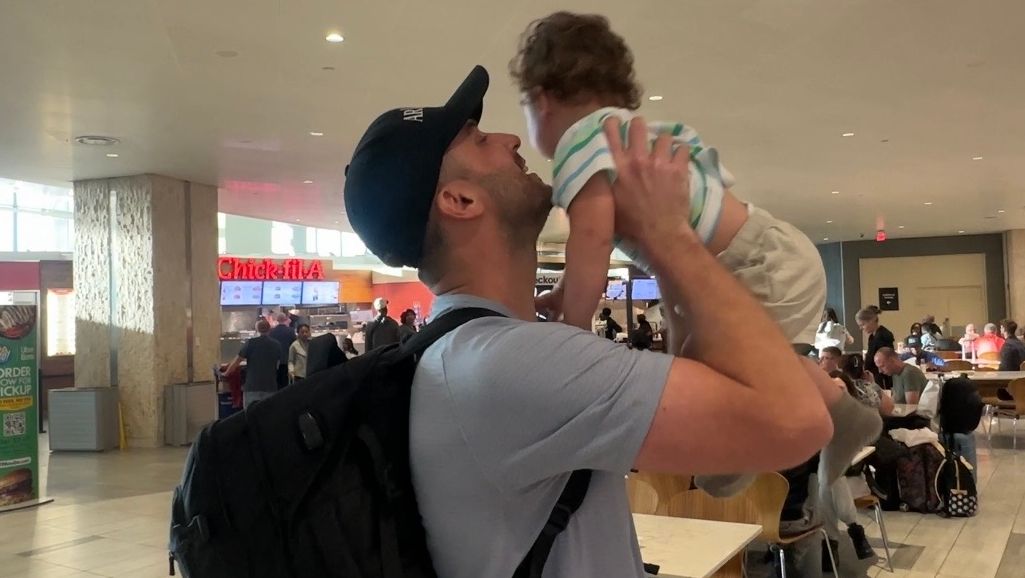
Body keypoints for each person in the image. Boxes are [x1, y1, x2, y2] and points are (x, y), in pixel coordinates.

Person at [342, 64, 842, 578]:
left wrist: (657, 244)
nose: (512, 136)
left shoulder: (479, 353)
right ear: (460, 200)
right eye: (480, 139)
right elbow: (796, 423)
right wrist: (668, 234)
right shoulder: (507, 362)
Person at [509, 12, 826, 347]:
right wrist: (563, 291)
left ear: (541, 101)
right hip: (768, 254)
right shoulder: (622, 135)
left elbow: (591, 239)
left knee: (760, 386)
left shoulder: (580, 141)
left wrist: (573, 329)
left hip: (750, 266)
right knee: (769, 375)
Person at [222, 319, 279, 408]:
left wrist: (226, 373)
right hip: (270, 387)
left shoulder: (251, 343)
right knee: (268, 417)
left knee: (250, 417)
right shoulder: (276, 345)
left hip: (252, 386)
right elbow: (277, 365)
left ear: (257, 329)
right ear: (269, 329)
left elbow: (236, 362)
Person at [857, 306, 895, 387]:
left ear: (872, 321)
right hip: (874, 374)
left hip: (882, 375)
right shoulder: (872, 337)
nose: (861, 328)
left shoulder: (883, 335)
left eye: (863, 325)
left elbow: (886, 357)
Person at [269, 312, 296, 389]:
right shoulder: (290, 331)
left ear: (277, 320)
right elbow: (294, 344)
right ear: (285, 319)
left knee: (277, 381)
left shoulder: (272, 331)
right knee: (285, 381)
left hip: (275, 361)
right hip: (287, 359)